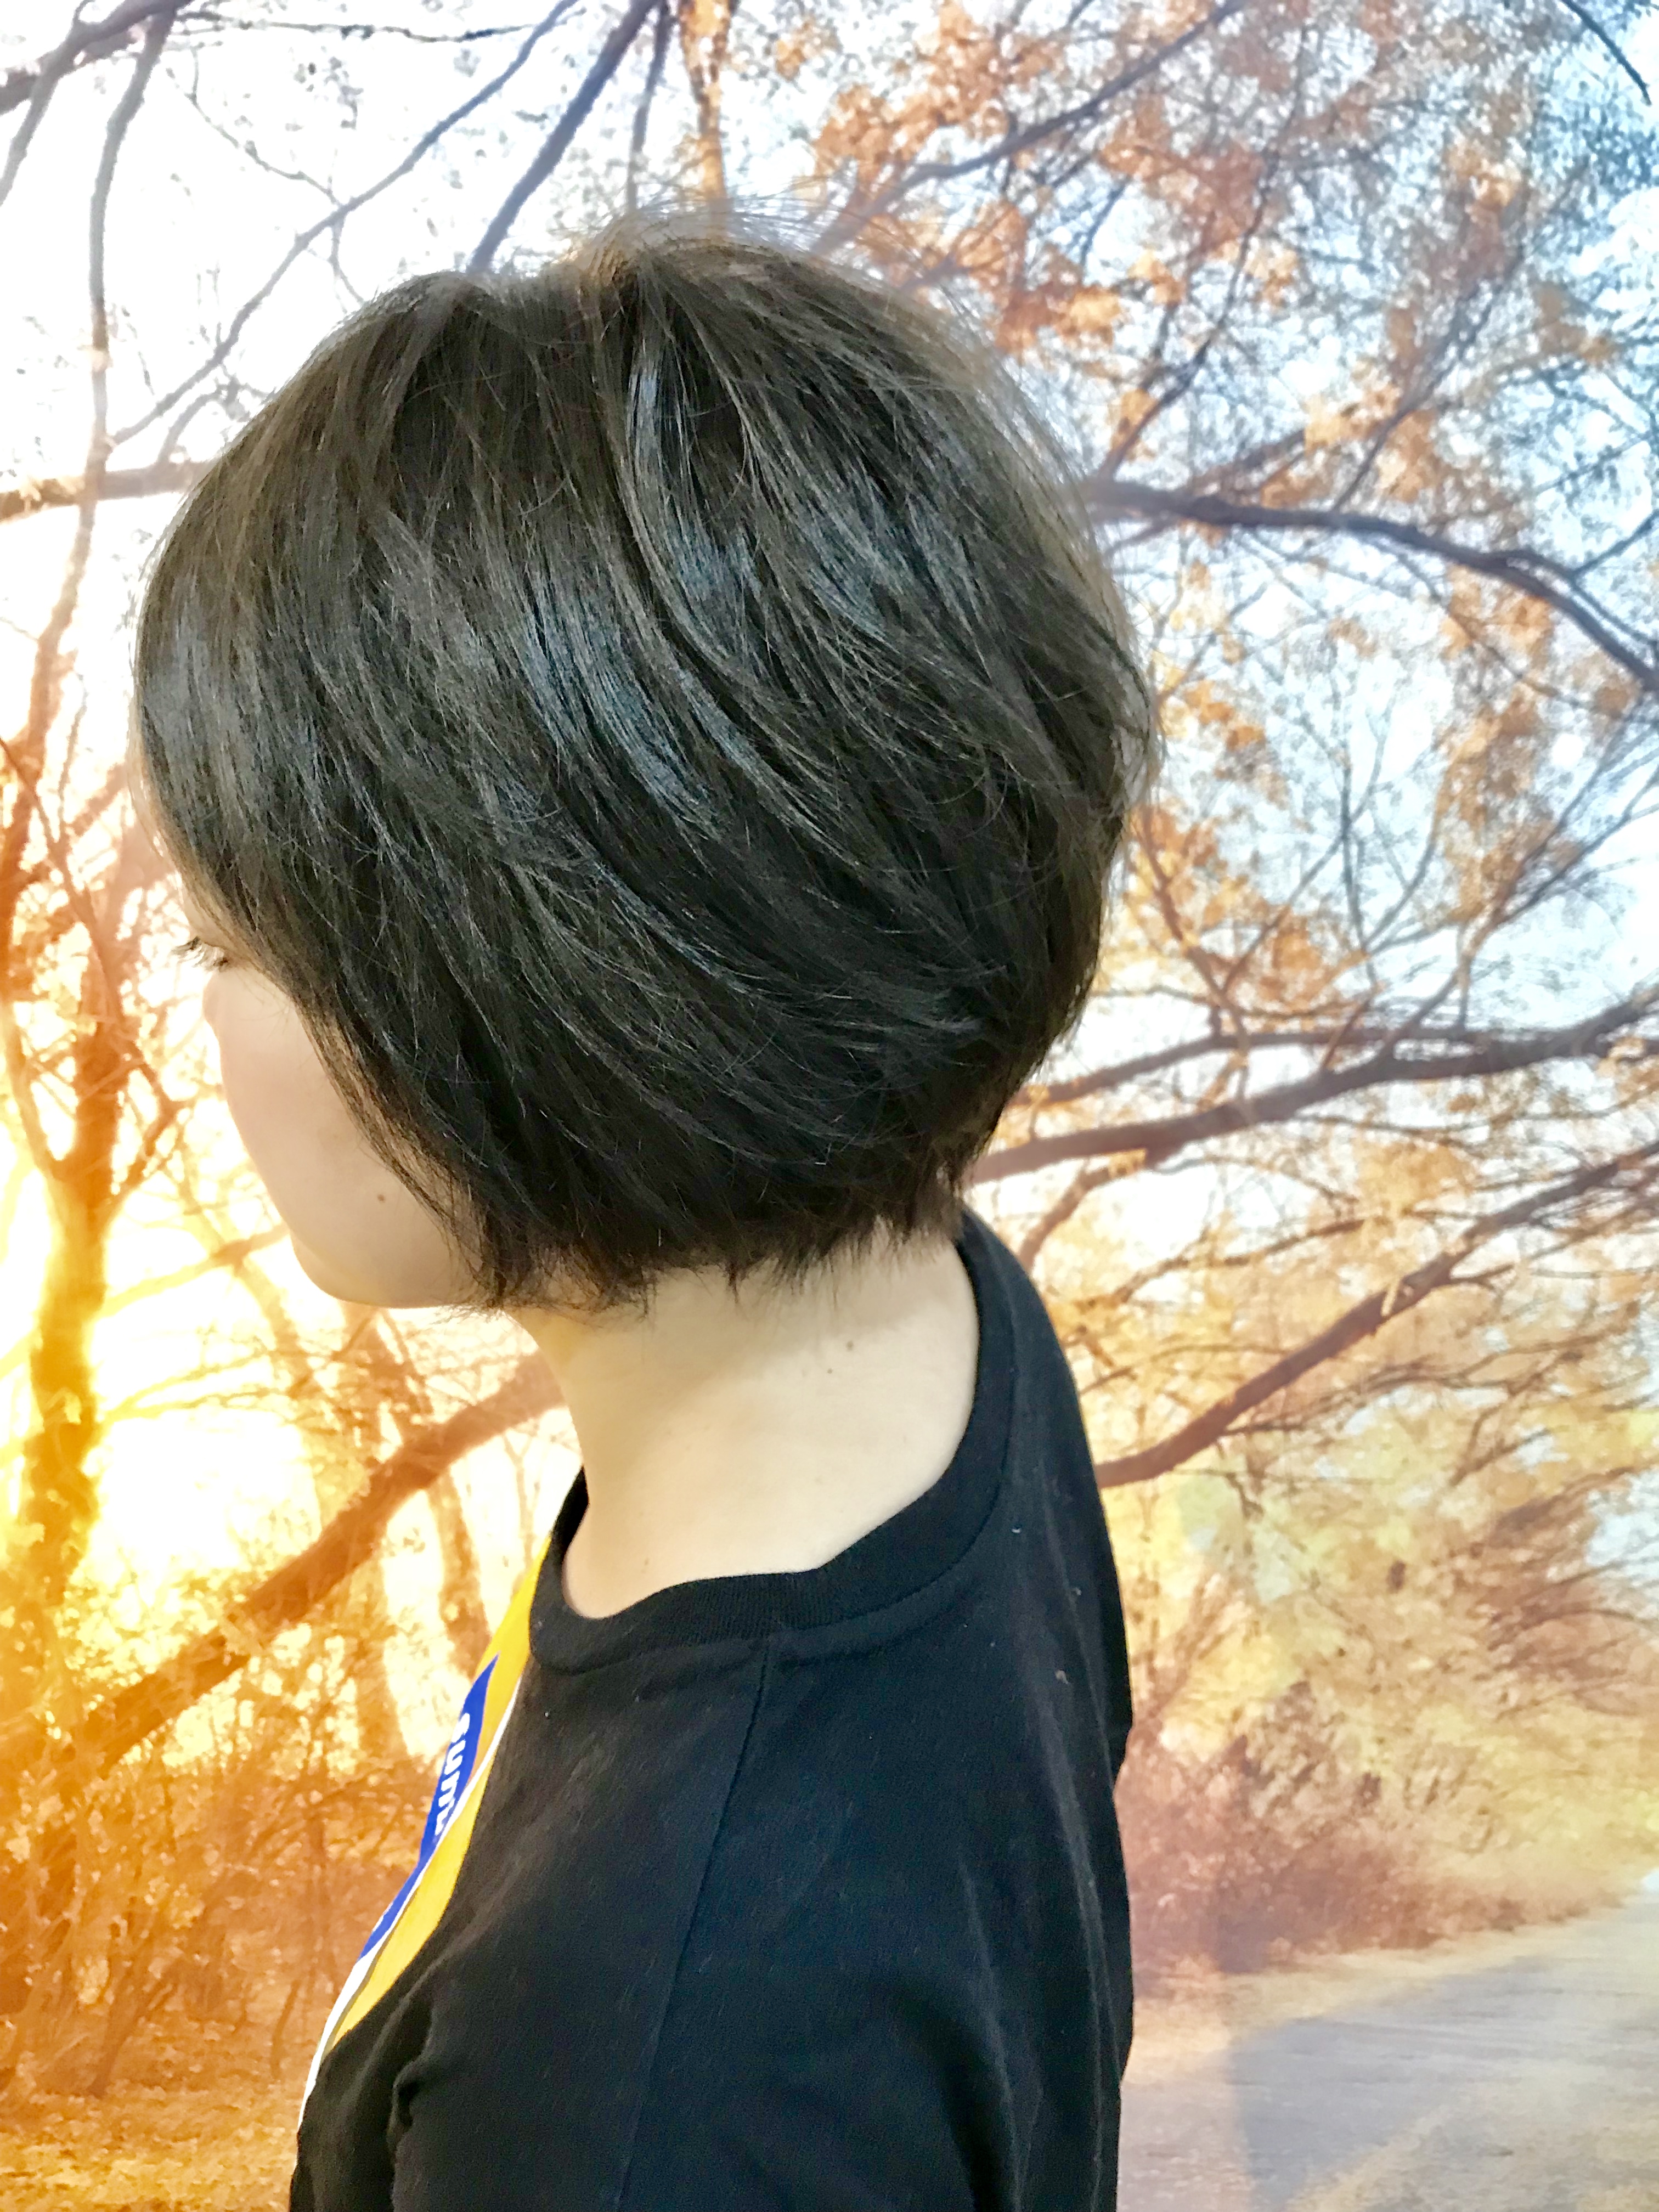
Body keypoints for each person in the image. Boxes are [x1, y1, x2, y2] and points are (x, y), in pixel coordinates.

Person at [127, 193, 1161, 2212]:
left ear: (533, 975)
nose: (200, 1017)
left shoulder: (639, 2083)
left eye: (221, 944)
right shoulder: (937, 1334)